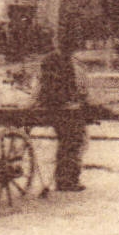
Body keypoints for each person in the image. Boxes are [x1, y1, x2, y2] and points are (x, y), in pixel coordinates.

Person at [36, 32, 90, 192]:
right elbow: (68, 86)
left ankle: (65, 179)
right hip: (61, 107)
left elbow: (45, 82)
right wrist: (76, 99)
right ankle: (67, 180)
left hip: (50, 103)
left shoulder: (49, 59)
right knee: (75, 139)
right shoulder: (66, 61)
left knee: (68, 141)